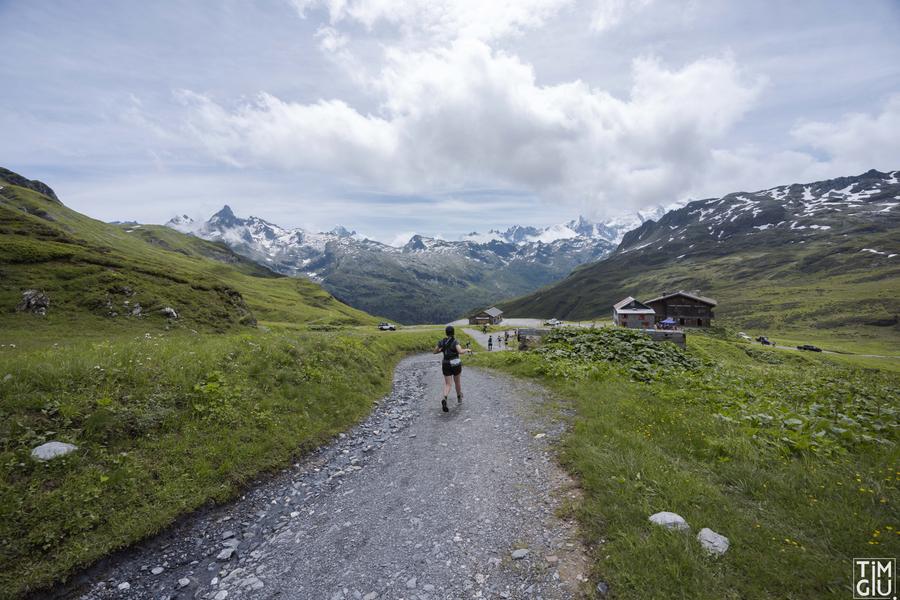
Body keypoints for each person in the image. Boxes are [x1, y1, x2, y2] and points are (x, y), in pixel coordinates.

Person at [433, 325, 473, 412]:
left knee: (448, 384)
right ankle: (459, 398)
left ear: (446, 333)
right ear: (453, 332)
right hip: (455, 364)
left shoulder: (442, 341)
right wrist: (467, 350)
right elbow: (460, 351)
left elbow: (434, 351)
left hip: (446, 363)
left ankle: (445, 398)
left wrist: (441, 350)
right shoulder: (455, 341)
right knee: (457, 382)